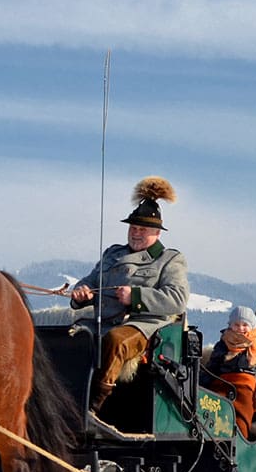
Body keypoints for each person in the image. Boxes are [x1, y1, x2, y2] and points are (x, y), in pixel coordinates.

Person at [70, 176, 189, 425]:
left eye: (142, 229)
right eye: (133, 228)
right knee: (69, 337)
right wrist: (82, 293)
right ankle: (66, 399)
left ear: (157, 232)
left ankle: (94, 407)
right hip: (103, 321)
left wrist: (135, 297)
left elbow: (177, 299)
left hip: (145, 326)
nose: (136, 233)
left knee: (117, 341)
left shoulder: (168, 260)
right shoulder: (113, 254)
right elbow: (92, 281)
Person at [205, 305, 256, 437]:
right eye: (236, 324)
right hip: (223, 382)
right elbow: (212, 367)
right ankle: (215, 436)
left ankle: (240, 437)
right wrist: (198, 384)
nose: (240, 328)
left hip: (246, 385)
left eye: (245, 325)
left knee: (244, 405)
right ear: (230, 325)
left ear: (252, 326)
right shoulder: (223, 344)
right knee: (213, 403)